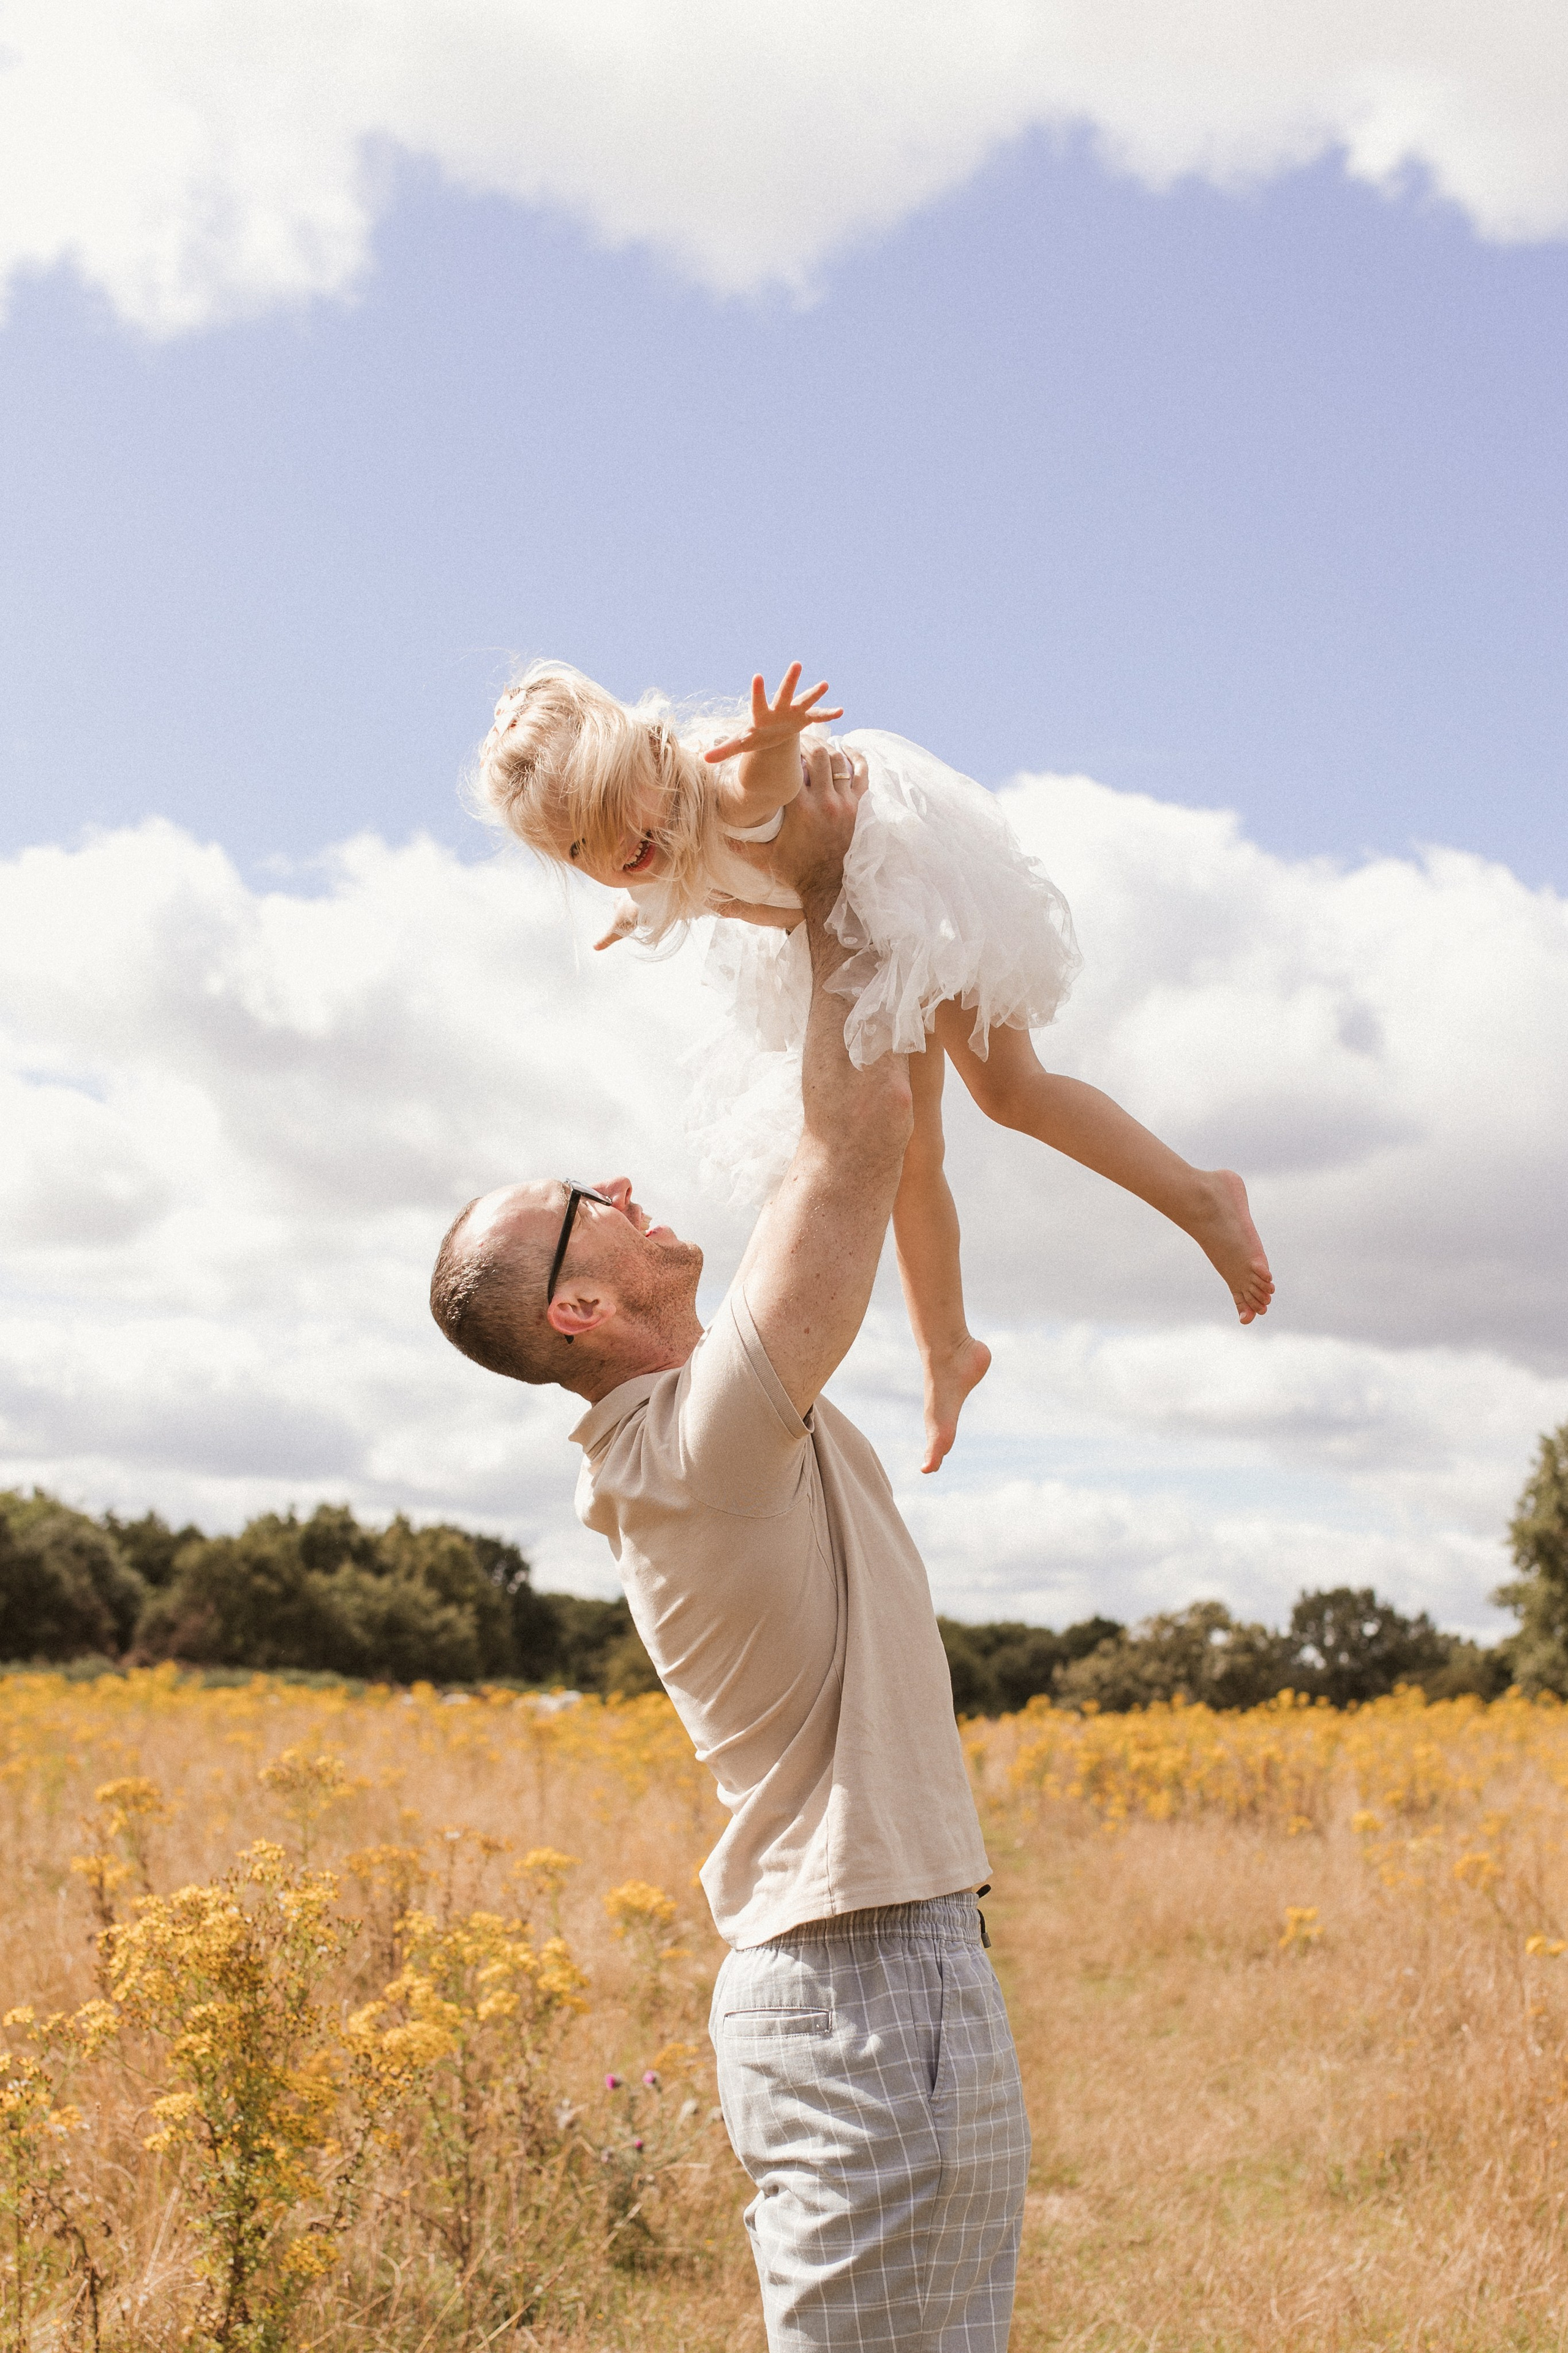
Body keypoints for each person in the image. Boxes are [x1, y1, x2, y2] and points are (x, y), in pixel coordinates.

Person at [429, 744, 1031, 2352]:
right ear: (581, 1305)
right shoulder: (701, 1444)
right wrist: (827, 892)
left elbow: (845, 1141)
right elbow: (849, 1152)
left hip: (881, 1973)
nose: (626, 1183)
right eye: (588, 1199)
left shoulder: (695, 1431)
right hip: (863, 1986)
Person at [470, 657, 1273, 1475]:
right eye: (580, 849)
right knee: (907, 1155)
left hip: (906, 886)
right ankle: (947, 1349)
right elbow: (647, 880)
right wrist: (626, 912)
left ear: (648, 758)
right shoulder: (651, 846)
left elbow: (754, 792)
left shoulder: (715, 786)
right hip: (855, 929)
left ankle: (1203, 1196)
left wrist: (777, 740)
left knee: (1009, 1090)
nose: (612, 850)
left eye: (611, 815)